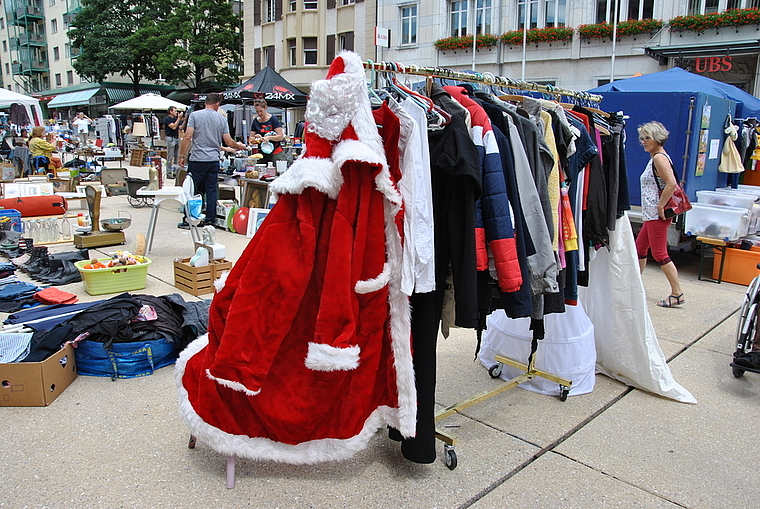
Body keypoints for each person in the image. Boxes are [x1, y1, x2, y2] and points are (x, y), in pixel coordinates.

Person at [178, 92, 246, 228]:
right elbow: (228, 141)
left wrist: (181, 155)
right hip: (213, 160)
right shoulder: (221, 119)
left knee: (194, 190)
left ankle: (191, 218)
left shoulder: (195, 116)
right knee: (211, 190)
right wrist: (239, 146)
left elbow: (187, 137)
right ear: (217, 104)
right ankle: (210, 219)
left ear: (205, 103)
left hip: (197, 159)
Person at [635, 121, 684, 308]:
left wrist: (661, 206)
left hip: (657, 214)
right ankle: (634, 285)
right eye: (642, 138)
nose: (644, 141)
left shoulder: (659, 158)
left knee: (659, 253)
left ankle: (677, 292)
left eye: (647, 138)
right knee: (639, 249)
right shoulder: (656, 156)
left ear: (657, 138)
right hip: (652, 214)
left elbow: (671, 183)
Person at [249, 98, 286, 166]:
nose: (259, 114)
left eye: (261, 111)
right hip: (261, 153)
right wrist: (257, 138)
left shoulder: (273, 119)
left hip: (275, 152)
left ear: (265, 108)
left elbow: (280, 137)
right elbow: (251, 139)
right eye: (257, 112)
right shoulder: (255, 121)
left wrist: (268, 137)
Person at [163, 106, 184, 173]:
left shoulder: (176, 119)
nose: (176, 112)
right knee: (170, 157)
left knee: (176, 157)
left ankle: (175, 172)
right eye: (175, 111)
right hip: (170, 138)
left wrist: (185, 120)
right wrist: (179, 118)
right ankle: (168, 172)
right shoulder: (167, 119)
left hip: (176, 138)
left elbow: (180, 127)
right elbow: (174, 127)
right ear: (170, 111)